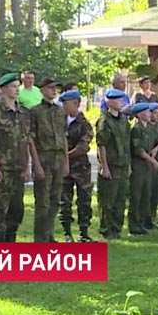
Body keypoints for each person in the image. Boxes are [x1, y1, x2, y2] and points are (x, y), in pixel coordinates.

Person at [0, 73, 37, 243]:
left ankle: (11, 239)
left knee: (17, 207)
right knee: (1, 206)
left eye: (17, 86)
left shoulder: (24, 112)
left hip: (19, 167)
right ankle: (0, 242)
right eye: (13, 86)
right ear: (3, 89)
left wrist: (28, 166)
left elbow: (28, 140)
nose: (16, 89)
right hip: (3, 166)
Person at [30, 77, 68, 243]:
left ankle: (49, 234)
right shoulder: (35, 111)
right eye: (50, 88)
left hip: (58, 156)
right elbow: (31, 138)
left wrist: (66, 161)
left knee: (55, 199)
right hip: (44, 156)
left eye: (56, 88)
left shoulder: (60, 111)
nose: (54, 91)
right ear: (42, 90)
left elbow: (64, 137)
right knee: (43, 201)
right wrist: (36, 164)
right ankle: (40, 238)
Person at [58, 89, 94, 243]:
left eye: (66, 103)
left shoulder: (84, 124)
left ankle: (83, 233)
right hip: (63, 168)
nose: (63, 106)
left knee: (84, 200)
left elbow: (83, 147)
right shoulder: (59, 122)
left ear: (76, 104)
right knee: (64, 200)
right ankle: (67, 233)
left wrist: (64, 156)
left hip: (80, 168)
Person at [95, 88, 131, 239]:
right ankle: (106, 229)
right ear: (109, 102)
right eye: (117, 100)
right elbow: (101, 145)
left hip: (122, 164)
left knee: (120, 199)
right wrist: (104, 166)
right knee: (107, 200)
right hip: (110, 164)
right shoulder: (104, 121)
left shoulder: (124, 121)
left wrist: (129, 165)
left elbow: (127, 144)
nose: (120, 102)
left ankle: (117, 228)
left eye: (121, 99)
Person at [128, 102, 158, 235]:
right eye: (147, 112)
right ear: (140, 114)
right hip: (139, 165)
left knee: (146, 194)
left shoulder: (150, 128)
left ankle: (144, 221)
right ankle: (134, 224)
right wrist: (153, 161)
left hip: (147, 165)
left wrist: (155, 150)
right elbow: (138, 150)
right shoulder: (136, 129)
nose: (150, 114)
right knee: (136, 194)